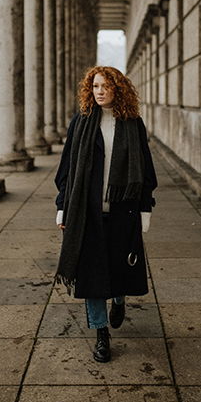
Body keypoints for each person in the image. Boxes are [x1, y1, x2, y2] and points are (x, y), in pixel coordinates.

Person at [54, 66, 157, 363]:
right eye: (95, 86)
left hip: (123, 210)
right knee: (92, 275)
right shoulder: (82, 122)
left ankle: (120, 299)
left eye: (105, 86)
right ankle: (101, 335)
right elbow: (66, 170)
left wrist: (145, 209)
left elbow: (146, 170)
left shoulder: (132, 123)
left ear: (118, 89)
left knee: (119, 268)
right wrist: (63, 207)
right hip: (87, 212)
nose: (99, 91)